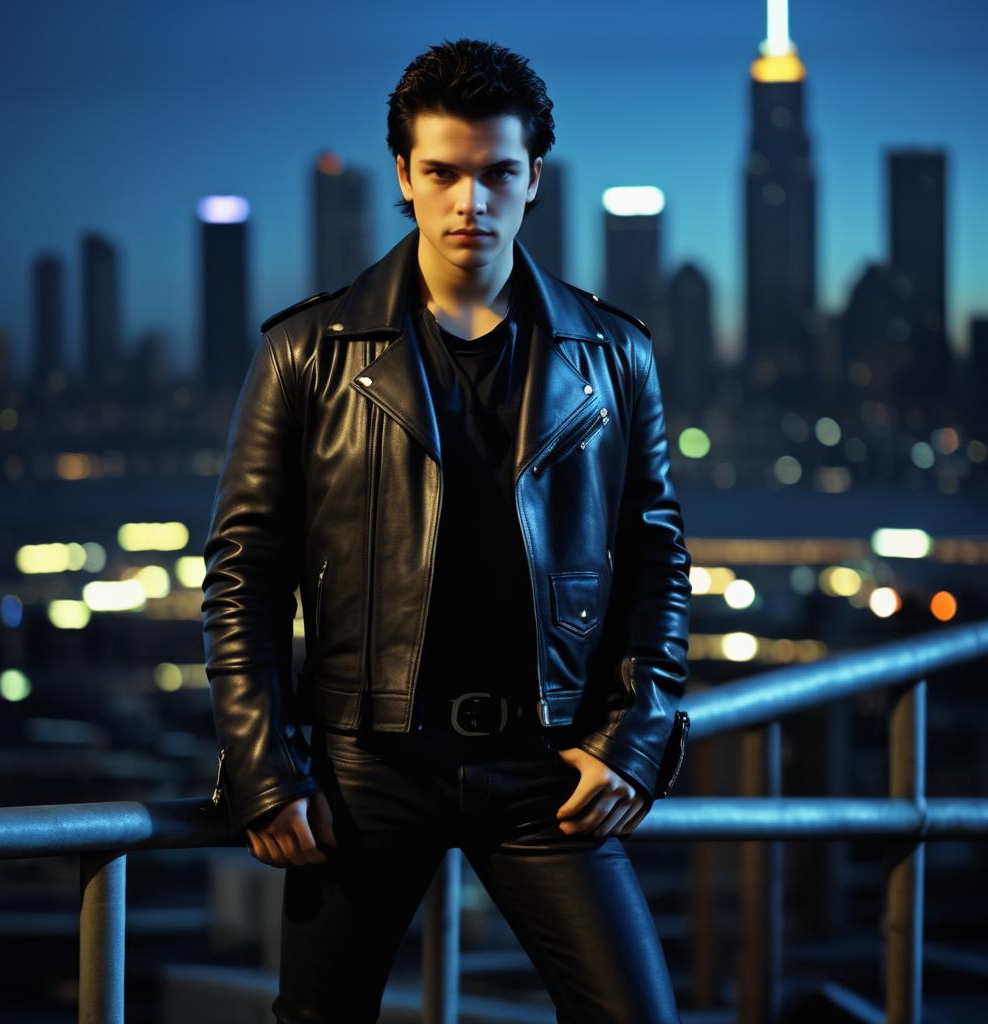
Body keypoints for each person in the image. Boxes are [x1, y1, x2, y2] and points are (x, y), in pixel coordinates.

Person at [201, 37, 692, 1024]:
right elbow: (245, 568)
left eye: (496, 173)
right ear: (404, 177)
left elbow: (655, 554)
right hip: (362, 769)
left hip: (543, 767)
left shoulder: (613, 353)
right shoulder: (309, 352)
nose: (471, 201)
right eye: (444, 173)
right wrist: (262, 761)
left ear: (533, 180)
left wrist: (633, 735)